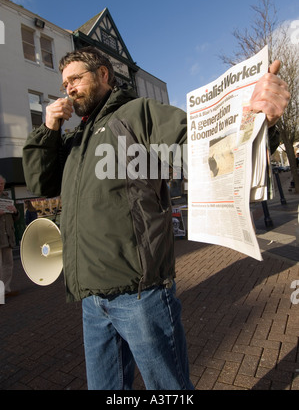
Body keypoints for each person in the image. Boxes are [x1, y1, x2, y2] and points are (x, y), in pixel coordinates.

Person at [22, 47, 290, 390]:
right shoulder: (76, 140)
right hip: (91, 298)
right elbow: (40, 182)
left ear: (103, 74)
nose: (69, 89)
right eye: (64, 85)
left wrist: (255, 122)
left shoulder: (136, 113)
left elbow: (194, 144)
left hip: (139, 295)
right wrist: (48, 130)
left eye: (76, 78)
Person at [0, 175, 20, 298]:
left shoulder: (6, 198)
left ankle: (6, 290)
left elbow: (15, 218)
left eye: (2, 184)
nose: (1, 186)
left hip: (7, 237)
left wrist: (15, 211)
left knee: (8, 264)